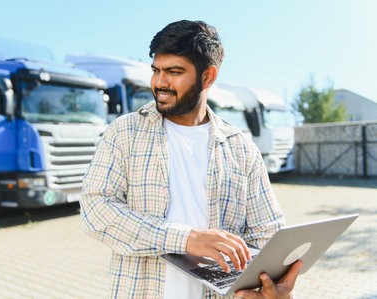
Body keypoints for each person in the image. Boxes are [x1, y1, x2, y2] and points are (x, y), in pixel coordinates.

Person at [81, 20, 303, 299]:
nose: (160, 82)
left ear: (208, 77)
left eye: (174, 72)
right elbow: (96, 210)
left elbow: (267, 233)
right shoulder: (125, 132)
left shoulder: (241, 147)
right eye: (156, 70)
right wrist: (187, 239)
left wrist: (271, 288)